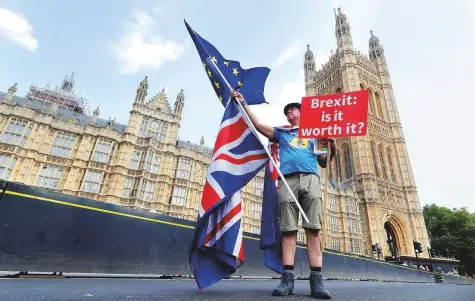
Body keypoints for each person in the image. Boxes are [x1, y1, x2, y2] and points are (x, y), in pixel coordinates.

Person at [231, 91, 335, 299]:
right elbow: (259, 126)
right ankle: (287, 281)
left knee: (314, 230)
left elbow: (324, 162)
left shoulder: (316, 133)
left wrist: (331, 145)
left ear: (302, 113)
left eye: (292, 109)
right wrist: (243, 103)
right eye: (286, 111)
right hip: (287, 179)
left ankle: (317, 283)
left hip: (311, 178)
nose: (288, 112)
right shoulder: (282, 133)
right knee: (288, 230)